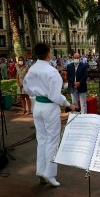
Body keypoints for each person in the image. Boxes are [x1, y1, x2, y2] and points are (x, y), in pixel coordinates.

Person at [23, 43, 76, 187]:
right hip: (49, 107)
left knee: (42, 140)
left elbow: (26, 87)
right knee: (52, 140)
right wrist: (68, 104)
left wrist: (37, 92)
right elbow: (55, 96)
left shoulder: (31, 69)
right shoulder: (51, 72)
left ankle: (41, 171)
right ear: (48, 53)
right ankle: (50, 174)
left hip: (37, 106)